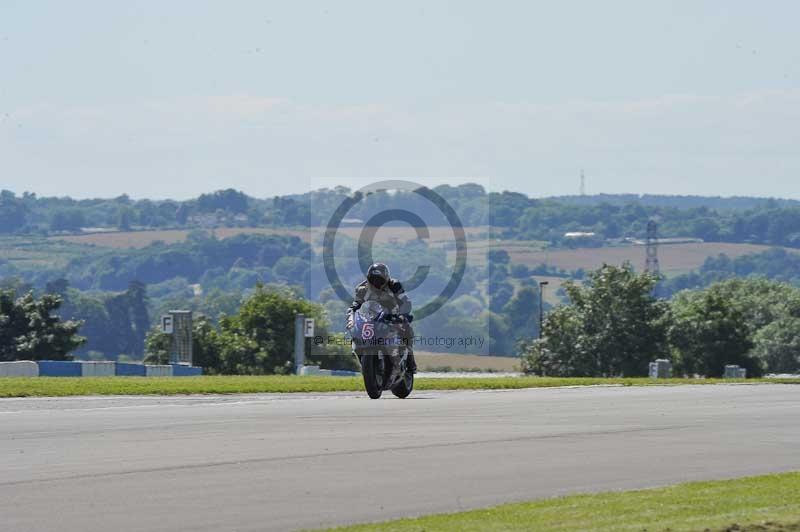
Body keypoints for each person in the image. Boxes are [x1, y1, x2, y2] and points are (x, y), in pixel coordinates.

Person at [348, 262, 417, 373]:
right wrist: (352, 316)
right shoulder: (362, 289)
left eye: (379, 280)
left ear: (386, 279)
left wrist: (403, 315)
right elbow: (356, 305)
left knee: (406, 329)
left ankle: (410, 361)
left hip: (392, 314)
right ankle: (364, 361)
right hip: (371, 316)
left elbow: (405, 302)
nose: (376, 283)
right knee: (356, 333)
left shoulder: (394, 285)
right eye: (373, 279)